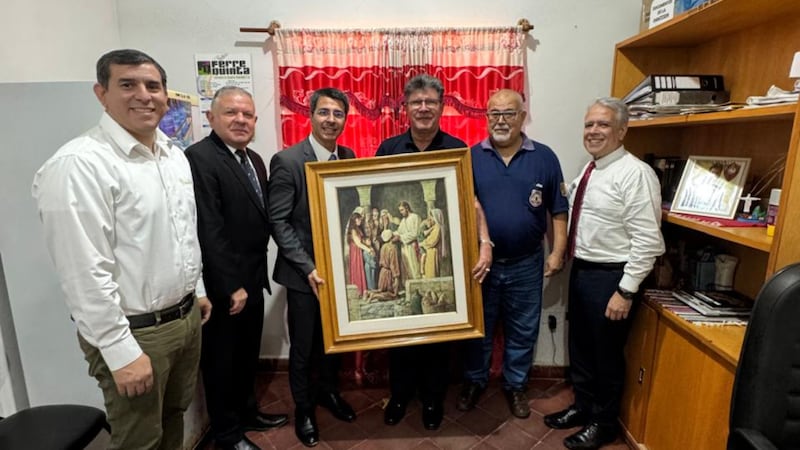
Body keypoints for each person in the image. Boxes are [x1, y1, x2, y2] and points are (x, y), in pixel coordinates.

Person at [31, 49, 212, 450]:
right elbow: (83, 273)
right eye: (127, 85)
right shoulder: (79, 165)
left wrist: (195, 290)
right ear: (101, 93)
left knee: (173, 419)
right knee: (139, 439)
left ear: (167, 95)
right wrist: (119, 350)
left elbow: (183, 231)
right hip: (135, 332)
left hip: (183, 322)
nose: (143, 95)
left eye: (153, 86)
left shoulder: (173, 156)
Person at [543, 97, 665, 450]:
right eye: (589, 125)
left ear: (622, 130)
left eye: (603, 125)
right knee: (580, 347)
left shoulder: (636, 174)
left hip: (612, 277)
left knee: (606, 355)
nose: (593, 131)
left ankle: (604, 422)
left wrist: (625, 291)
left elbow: (647, 240)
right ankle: (582, 407)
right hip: (583, 271)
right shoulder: (591, 170)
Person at [375, 74, 493, 431]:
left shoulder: (458, 149)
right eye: (416, 102)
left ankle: (432, 400)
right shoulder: (388, 149)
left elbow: (471, 202)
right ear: (405, 109)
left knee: (440, 335)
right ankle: (399, 396)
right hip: (403, 257)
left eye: (430, 102)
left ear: (441, 107)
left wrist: (484, 243)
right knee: (401, 333)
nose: (423, 108)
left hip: (445, 258)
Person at [184, 86, 288, 450]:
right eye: (231, 113)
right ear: (211, 118)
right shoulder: (199, 158)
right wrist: (231, 285)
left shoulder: (254, 159)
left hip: (253, 278)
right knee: (222, 363)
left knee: (246, 355)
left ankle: (248, 413)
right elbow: (208, 228)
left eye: (247, 114)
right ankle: (227, 435)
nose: (240, 120)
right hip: (223, 287)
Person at [458, 89, 569, 419]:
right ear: (486, 116)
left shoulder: (545, 157)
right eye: (494, 113)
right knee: (479, 329)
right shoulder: (471, 156)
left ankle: (516, 386)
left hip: (526, 263)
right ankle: (475, 381)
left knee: (523, 329)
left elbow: (558, 211)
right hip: (481, 266)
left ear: (523, 117)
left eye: (509, 113)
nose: (501, 120)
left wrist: (558, 252)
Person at [267, 87, 357, 447]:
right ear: (311, 115)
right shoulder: (288, 161)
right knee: (304, 347)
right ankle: (303, 409)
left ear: (345, 120)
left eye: (338, 114)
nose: (331, 120)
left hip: (340, 273)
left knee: (333, 343)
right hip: (305, 277)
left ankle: (328, 394)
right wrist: (308, 267)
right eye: (324, 112)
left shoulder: (348, 155)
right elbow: (279, 222)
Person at [394, 201, 422, 284]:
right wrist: (391, 235)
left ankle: (417, 286)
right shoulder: (404, 220)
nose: (401, 212)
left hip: (412, 246)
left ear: (407, 208)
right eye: (400, 210)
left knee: (414, 268)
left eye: (402, 210)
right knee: (407, 268)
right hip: (405, 247)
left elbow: (415, 233)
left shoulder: (415, 217)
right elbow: (399, 231)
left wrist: (401, 237)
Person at [345, 212, 372, 296]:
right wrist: (368, 249)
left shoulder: (357, 228)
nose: (360, 220)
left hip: (358, 251)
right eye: (358, 219)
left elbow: (361, 240)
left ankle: (362, 290)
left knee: (360, 268)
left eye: (360, 219)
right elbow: (358, 243)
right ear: (354, 220)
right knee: (357, 268)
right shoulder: (353, 230)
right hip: (355, 252)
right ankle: (359, 291)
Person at [419, 208, 447, 278]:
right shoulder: (435, 227)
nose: (430, 219)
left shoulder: (437, 227)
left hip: (433, 252)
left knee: (431, 273)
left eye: (432, 217)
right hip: (430, 252)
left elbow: (433, 240)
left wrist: (423, 243)